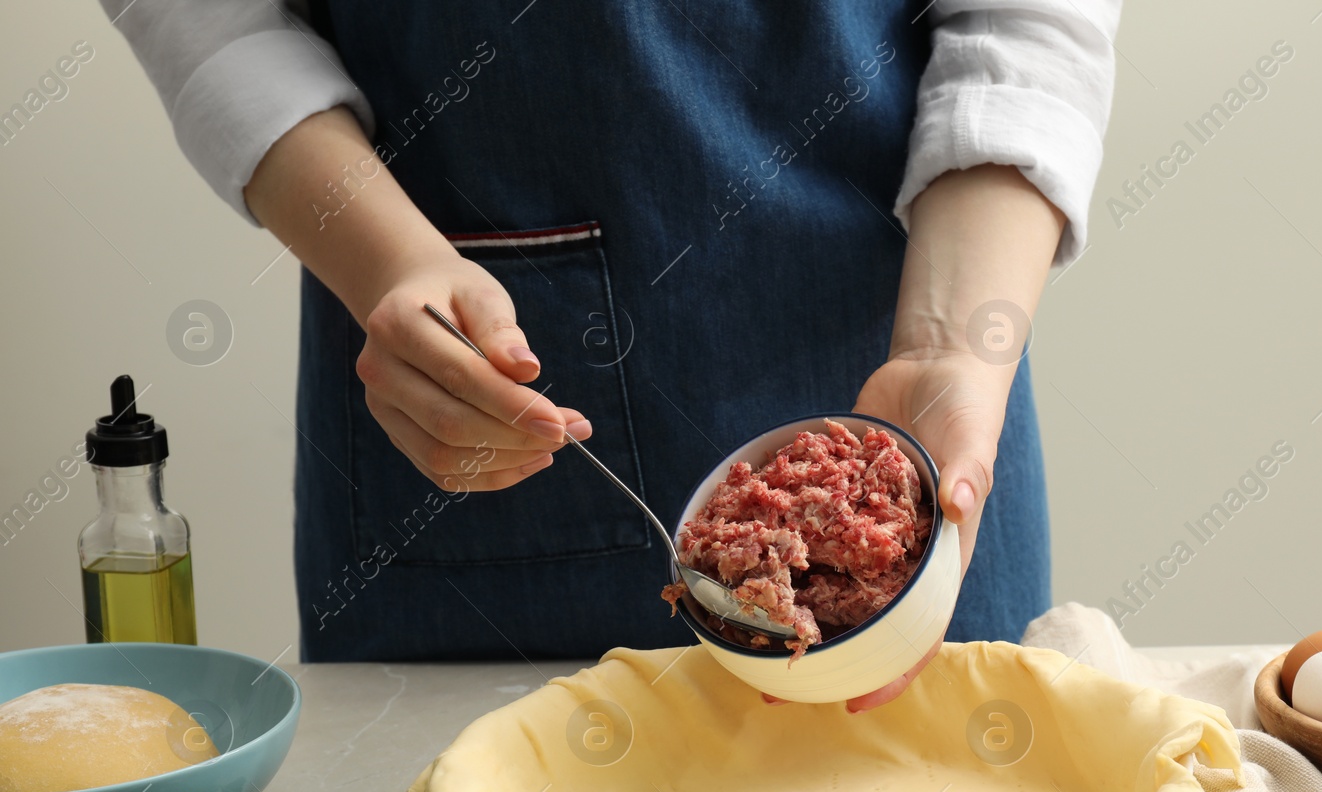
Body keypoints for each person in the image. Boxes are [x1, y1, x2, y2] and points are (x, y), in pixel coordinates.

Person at [103, 1, 1118, 710]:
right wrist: (385, 262)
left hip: (922, 358)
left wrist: (951, 347)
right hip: (455, 407)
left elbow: (1024, 18)